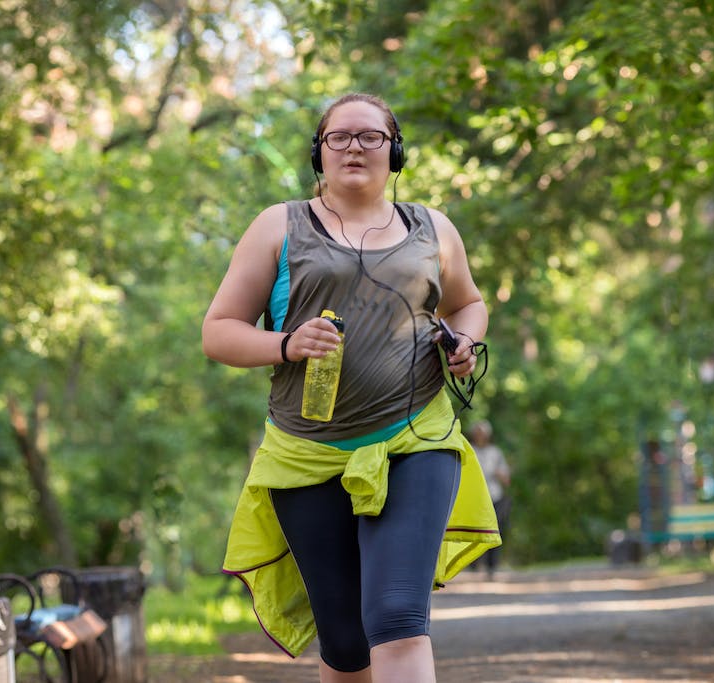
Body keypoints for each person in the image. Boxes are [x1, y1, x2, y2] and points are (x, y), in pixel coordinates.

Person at [202, 92, 501, 683]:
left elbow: (469, 303)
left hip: (415, 440)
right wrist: (286, 343)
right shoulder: (278, 226)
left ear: (396, 152)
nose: (355, 147)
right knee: (343, 641)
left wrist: (464, 344)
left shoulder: (432, 228)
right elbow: (218, 332)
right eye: (339, 137)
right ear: (320, 151)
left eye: (371, 136)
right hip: (305, 453)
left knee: (396, 615)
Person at [469, 420, 511, 579]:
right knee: (474, 531)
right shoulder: (470, 450)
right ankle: (473, 565)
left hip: (494, 496)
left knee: (495, 531)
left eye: (483, 433)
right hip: (475, 497)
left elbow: (506, 478)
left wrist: (500, 474)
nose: (480, 436)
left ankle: (492, 567)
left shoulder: (495, 452)